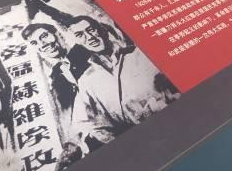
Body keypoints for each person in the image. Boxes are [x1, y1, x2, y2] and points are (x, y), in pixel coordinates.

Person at [66, 15, 178, 150]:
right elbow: (86, 124)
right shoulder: (86, 81)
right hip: (136, 147)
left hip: (173, 127)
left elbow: (177, 86)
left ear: (102, 30)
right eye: (80, 35)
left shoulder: (141, 54)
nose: (89, 37)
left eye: (91, 30)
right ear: (77, 42)